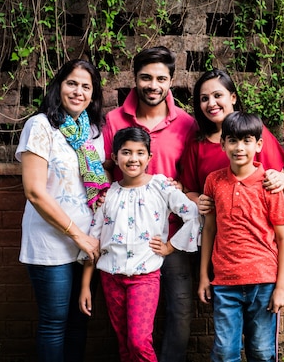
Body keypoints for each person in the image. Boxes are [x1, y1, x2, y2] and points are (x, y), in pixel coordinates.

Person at [101, 46, 198, 362]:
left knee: (180, 308)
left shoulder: (185, 122)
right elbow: (103, 169)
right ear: (135, 79)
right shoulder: (114, 120)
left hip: (169, 236)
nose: (153, 85)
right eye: (146, 77)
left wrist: (183, 186)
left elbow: (193, 174)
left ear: (171, 81)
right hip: (126, 240)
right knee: (133, 326)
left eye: (160, 78)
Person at [15, 59, 109, 362]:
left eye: (86, 86)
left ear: (93, 94)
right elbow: (34, 192)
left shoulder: (93, 131)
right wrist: (78, 236)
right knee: (54, 323)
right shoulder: (40, 125)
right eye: (72, 83)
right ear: (59, 86)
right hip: (52, 241)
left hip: (87, 244)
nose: (78, 91)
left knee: (79, 321)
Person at [79, 127, 200, 362]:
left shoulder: (161, 186)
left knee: (138, 341)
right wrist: (85, 286)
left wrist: (170, 246)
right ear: (115, 158)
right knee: (124, 343)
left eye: (139, 153)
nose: (133, 159)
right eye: (126, 152)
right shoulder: (109, 195)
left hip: (144, 278)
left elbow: (192, 214)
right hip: (110, 278)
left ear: (149, 157)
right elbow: (94, 242)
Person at [197, 112, 284, 362]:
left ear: (258, 145)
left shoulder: (269, 184)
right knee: (226, 352)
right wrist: (204, 276)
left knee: (261, 351)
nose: (240, 148)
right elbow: (209, 229)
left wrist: (281, 286)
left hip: (263, 281)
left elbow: (283, 238)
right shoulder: (214, 182)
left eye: (247, 140)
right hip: (225, 282)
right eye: (233, 141)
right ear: (223, 144)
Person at [181, 68, 284, 209]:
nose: (211, 103)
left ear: (233, 97)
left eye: (217, 95)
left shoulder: (254, 132)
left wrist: (283, 179)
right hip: (214, 225)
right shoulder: (198, 144)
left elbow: (283, 180)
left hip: (255, 224)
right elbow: (188, 191)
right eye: (204, 99)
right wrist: (199, 201)